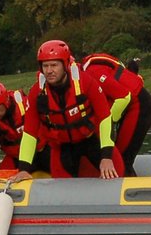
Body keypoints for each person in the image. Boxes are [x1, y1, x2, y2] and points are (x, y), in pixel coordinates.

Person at [12, 40, 122, 180]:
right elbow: (30, 133)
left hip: (92, 140)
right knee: (61, 186)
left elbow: (105, 118)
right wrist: (23, 169)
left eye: (54, 65)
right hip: (62, 148)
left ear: (65, 65)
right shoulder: (37, 93)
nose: (49, 70)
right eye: (45, 66)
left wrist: (106, 156)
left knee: (119, 172)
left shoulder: (86, 82)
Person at [79, 53, 151, 173]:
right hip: (134, 106)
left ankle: (128, 187)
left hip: (140, 107)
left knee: (121, 161)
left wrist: (107, 127)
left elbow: (124, 97)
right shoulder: (91, 67)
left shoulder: (92, 72)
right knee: (119, 156)